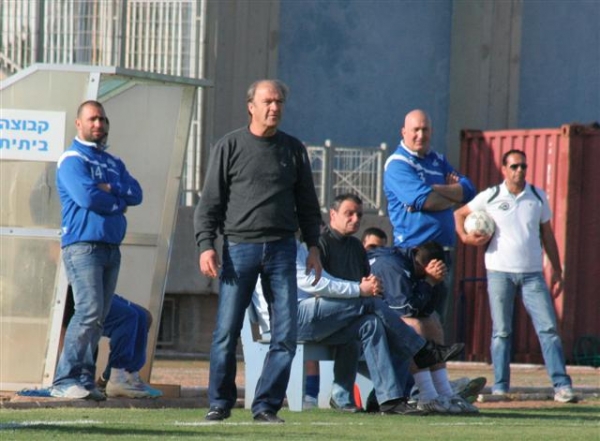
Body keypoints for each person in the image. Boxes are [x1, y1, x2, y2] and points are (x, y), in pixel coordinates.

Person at [194, 79, 323, 423]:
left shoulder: (293, 149)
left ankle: (265, 405)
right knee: (226, 331)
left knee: (286, 334)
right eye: (268, 101)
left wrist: (314, 247)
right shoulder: (229, 146)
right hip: (239, 249)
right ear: (251, 106)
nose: (274, 108)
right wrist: (206, 246)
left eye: (279, 102)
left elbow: (308, 205)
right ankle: (220, 403)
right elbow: (209, 203)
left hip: (283, 250)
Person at [253, 238, 466, 416]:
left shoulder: (297, 245)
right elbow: (311, 283)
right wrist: (359, 289)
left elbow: (322, 277)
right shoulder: (276, 244)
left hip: (308, 317)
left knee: (370, 323)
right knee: (370, 301)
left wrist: (362, 286)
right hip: (287, 319)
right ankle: (422, 351)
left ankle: (388, 399)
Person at [316, 193, 464, 413]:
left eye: (359, 214)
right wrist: (360, 290)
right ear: (333, 214)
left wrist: (374, 286)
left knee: (380, 326)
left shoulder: (356, 247)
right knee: (400, 324)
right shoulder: (320, 244)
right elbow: (317, 287)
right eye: (349, 213)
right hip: (319, 315)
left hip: (352, 313)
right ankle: (422, 358)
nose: (355, 219)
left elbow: (365, 282)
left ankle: (386, 399)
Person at [454, 149, 577, 403]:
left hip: (533, 275)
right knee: (501, 332)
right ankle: (500, 387)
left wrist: (557, 269)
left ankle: (562, 386)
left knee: (548, 328)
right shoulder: (491, 195)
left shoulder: (537, 196)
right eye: (514, 166)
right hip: (499, 272)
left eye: (523, 166)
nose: (519, 171)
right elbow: (459, 213)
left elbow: (547, 235)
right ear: (504, 169)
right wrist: (466, 238)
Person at [51, 100, 143, 400]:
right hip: (83, 247)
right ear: (78, 123)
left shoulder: (113, 162)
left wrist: (110, 189)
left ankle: (85, 381)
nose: (98, 124)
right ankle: (65, 380)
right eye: (92, 119)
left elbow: (136, 193)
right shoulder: (72, 159)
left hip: (110, 248)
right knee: (88, 312)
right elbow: (87, 198)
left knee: (98, 317)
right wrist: (117, 202)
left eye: (102, 119)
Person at [384, 109, 476, 323]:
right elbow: (425, 201)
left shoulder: (438, 160)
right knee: (414, 318)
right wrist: (452, 195)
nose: (420, 135)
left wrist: (434, 188)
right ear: (404, 132)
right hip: (415, 252)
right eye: (415, 130)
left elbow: (469, 190)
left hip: (443, 251)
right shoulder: (398, 164)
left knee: (436, 318)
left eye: (425, 130)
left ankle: (434, 347)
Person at [368, 242, 479, 414]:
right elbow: (405, 309)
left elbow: (425, 309)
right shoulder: (392, 265)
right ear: (421, 265)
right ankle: (427, 396)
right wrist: (428, 281)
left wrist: (434, 283)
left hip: (382, 316)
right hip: (365, 319)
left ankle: (445, 393)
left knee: (432, 320)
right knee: (414, 325)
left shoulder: (412, 263)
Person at [61, 287, 163, 399]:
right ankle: (115, 379)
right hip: (75, 291)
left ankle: (128, 376)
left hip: (99, 288)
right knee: (127, 317)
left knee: (143, 316)